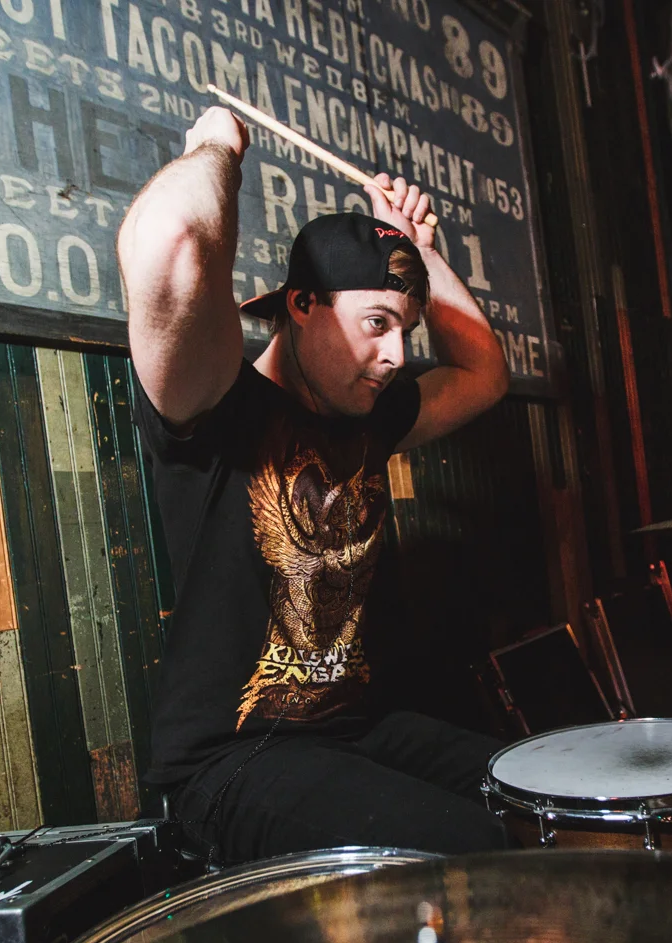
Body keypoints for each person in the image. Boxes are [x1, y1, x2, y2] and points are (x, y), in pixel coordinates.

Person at [118, 105, 514, 863]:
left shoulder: (369, 415)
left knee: (536, 792)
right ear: (301, 306)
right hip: (230, 761)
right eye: (376, 324)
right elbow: (173, 241)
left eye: (406, 330)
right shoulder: (211, 400)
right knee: (474, 847)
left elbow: (483, 373)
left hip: (355, 732)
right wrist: (217, 144)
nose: (398, 356)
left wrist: (420, 252)